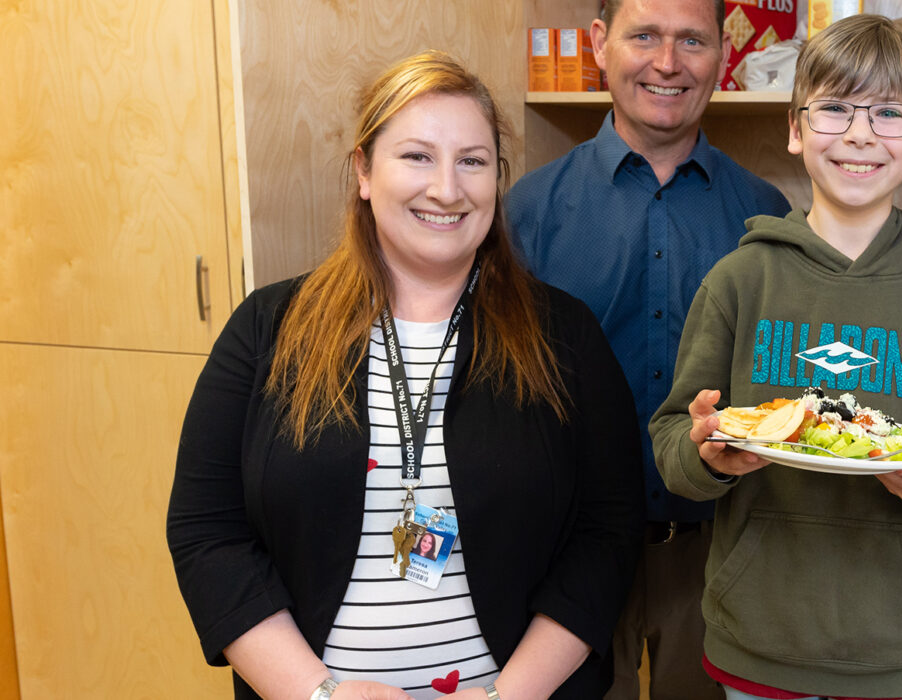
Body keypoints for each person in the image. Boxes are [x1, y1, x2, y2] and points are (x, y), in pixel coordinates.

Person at [167, 51, 643, 700]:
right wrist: (318, 695)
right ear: (364, 170)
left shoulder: (564, 337)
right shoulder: (267, 330)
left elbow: (608, 532)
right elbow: (208, 532)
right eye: (417, 156)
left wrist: (509, 697)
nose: (447, 189)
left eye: (472, 161)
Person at [650, 15, 902, 700]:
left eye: (888, 113)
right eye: (834, 109)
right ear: (796, 129)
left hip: (900, 646)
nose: (859, 134)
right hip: (758, 638)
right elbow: (675, 436)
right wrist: (705, 454)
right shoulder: (739, 281)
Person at [503, 1, 789, 698]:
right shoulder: (527, 211)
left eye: (692, 40)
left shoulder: (768, 217)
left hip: (717, 553)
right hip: (564, 557)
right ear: (600, 44)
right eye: (645, 36)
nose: (667, 62)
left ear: (723, 54)